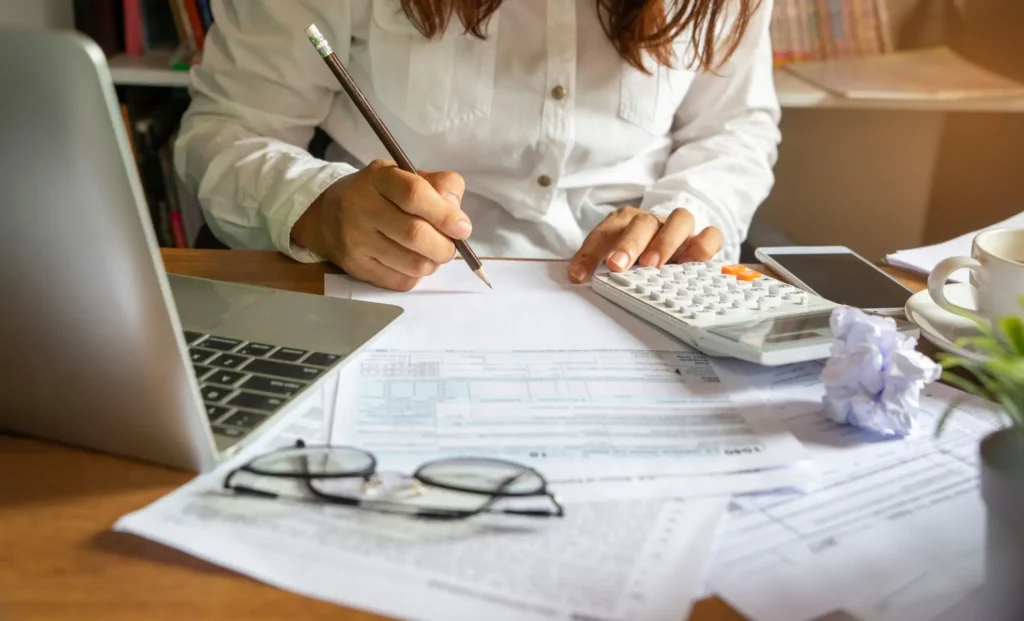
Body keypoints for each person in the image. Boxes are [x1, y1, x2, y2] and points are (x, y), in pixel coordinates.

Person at [175, 0, 781, 291]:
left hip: (638, 295)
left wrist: (685, 218)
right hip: (381, 291)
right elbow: (228, 129)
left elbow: (732, 128)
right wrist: (317, 207)